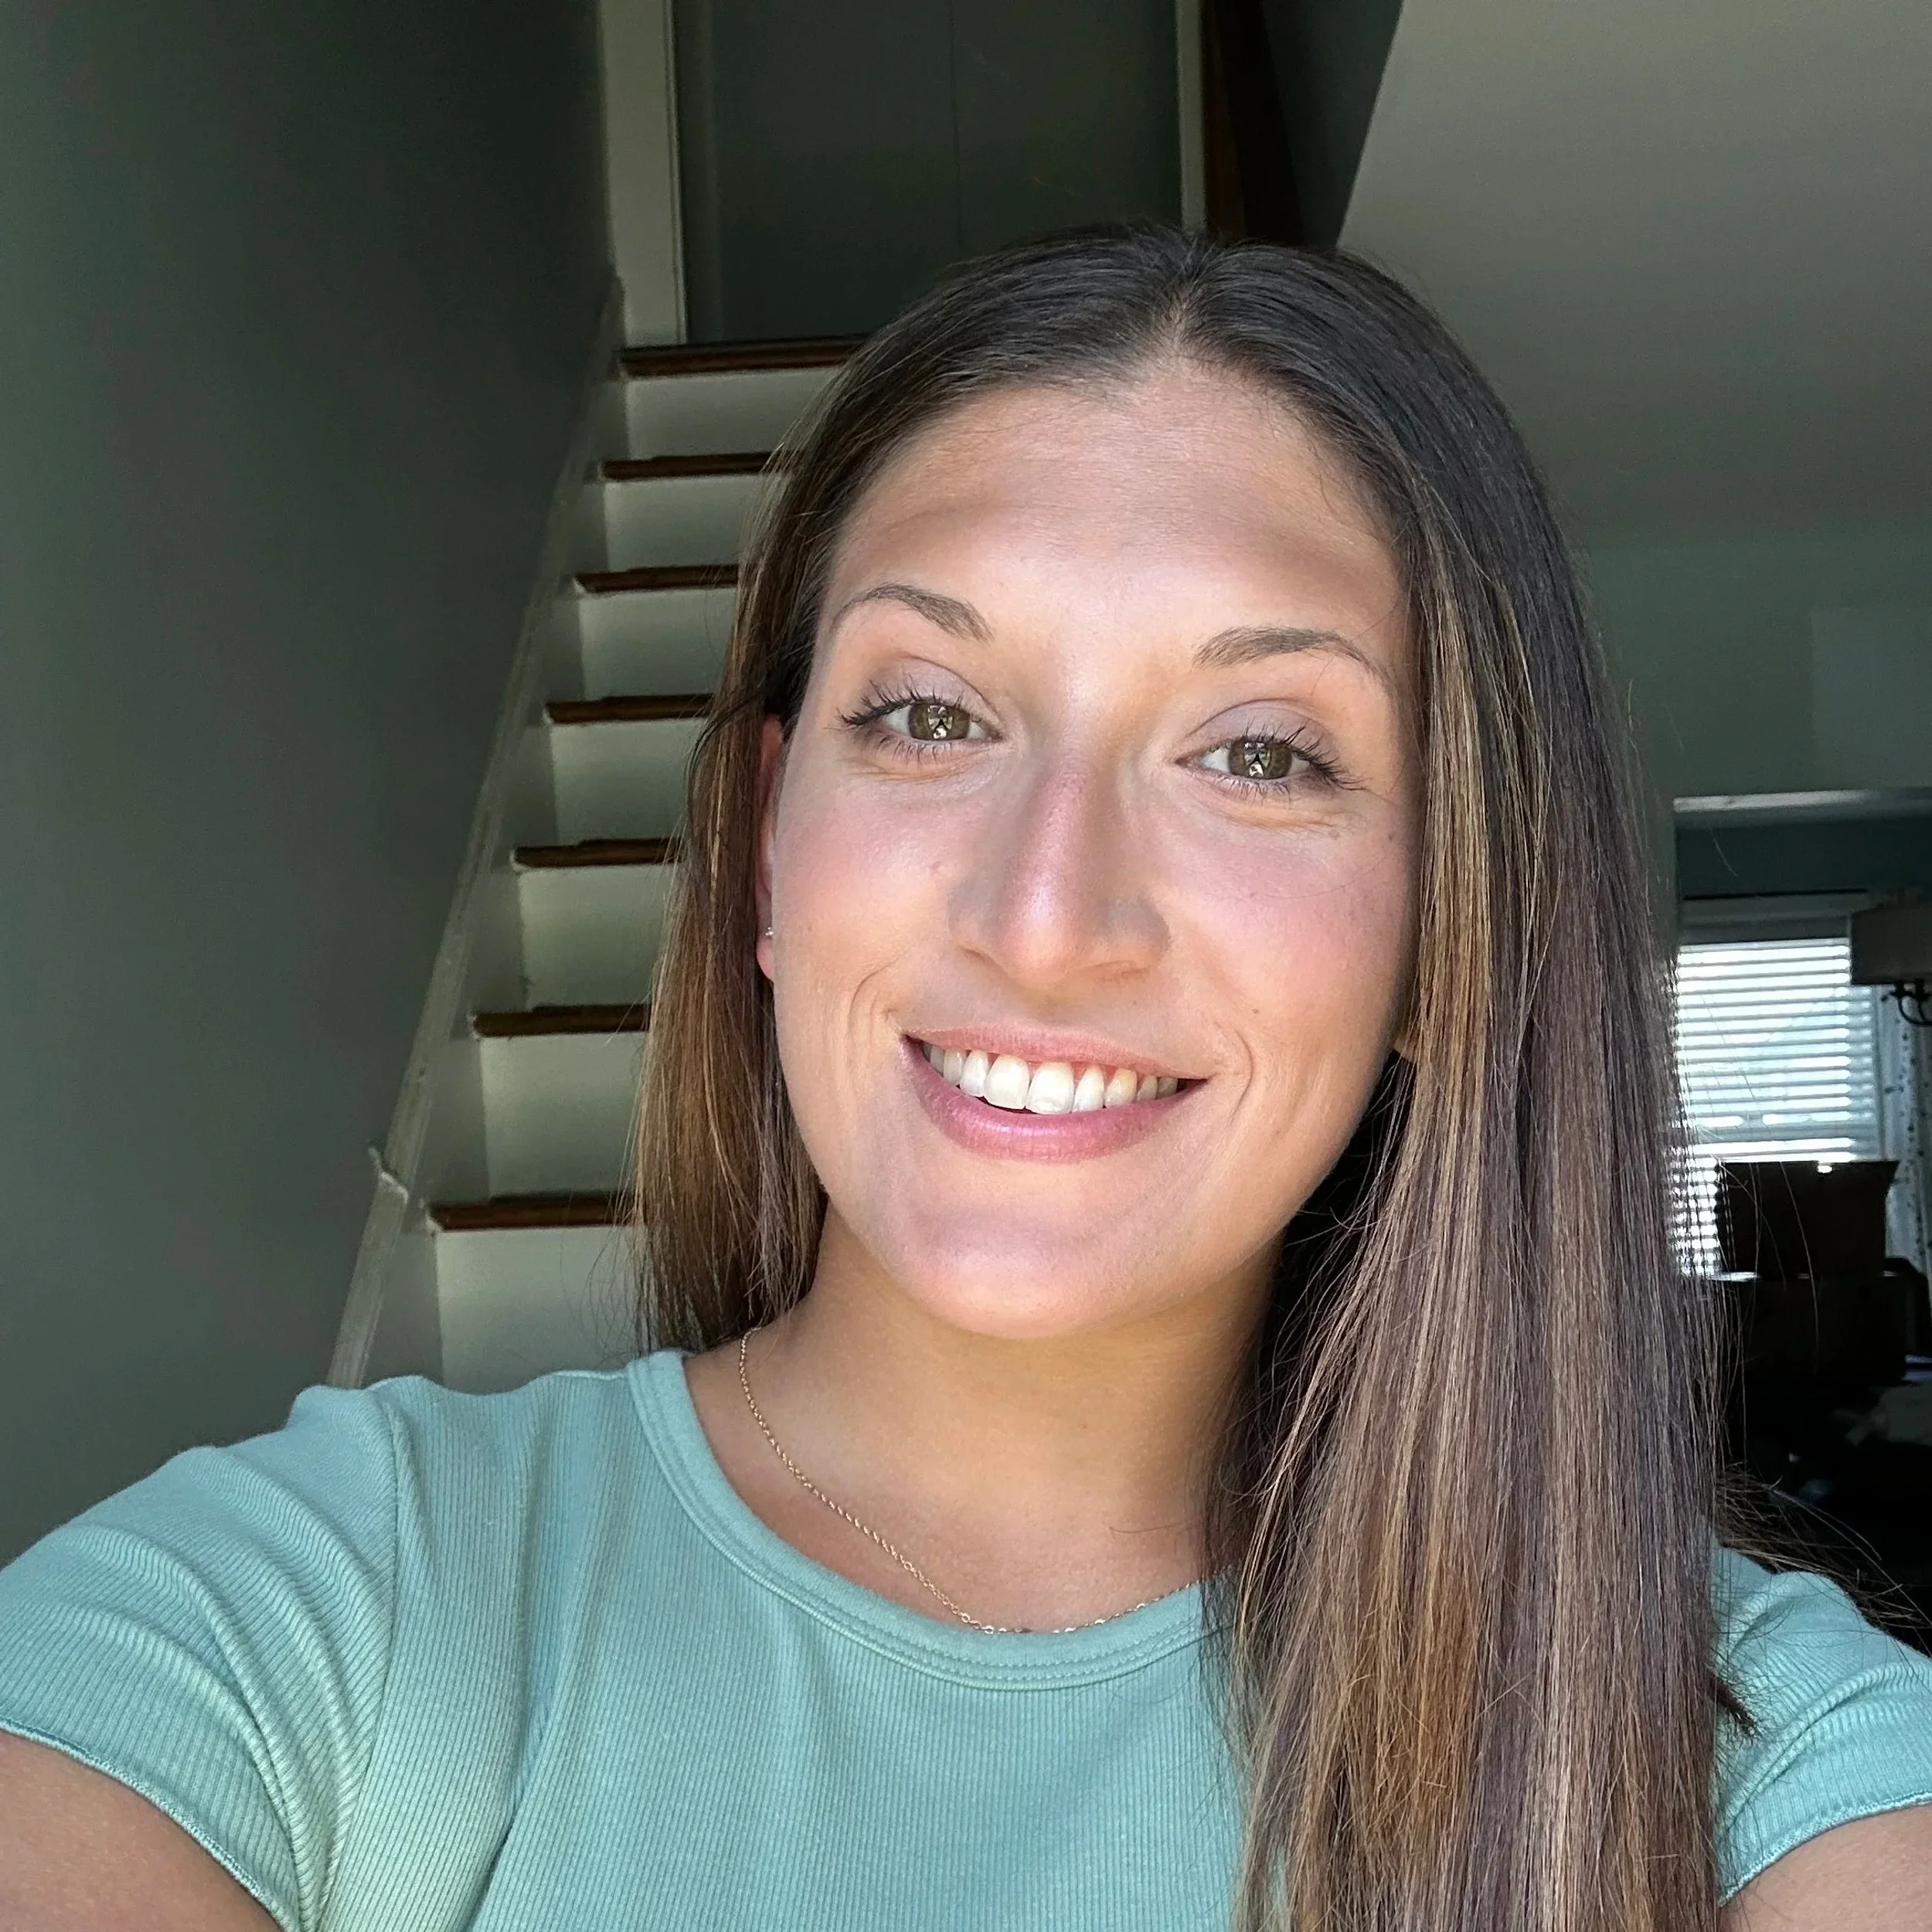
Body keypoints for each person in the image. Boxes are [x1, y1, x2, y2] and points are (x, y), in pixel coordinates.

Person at [3, 227, 1930, 1932]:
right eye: (927, 713)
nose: (1042, 911)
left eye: (1258, 751)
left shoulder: (1754, 1758)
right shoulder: (309, 1619)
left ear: (1452, 926)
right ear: (770, 842)